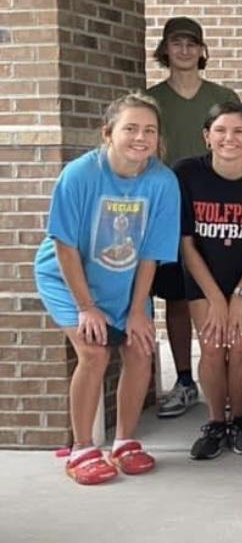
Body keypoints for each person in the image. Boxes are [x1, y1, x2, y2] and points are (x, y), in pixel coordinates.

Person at [35, 93, 180, 484]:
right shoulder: (80, 175)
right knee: (94, 352)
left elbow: (150, 253)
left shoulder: (163, 182)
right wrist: (86, 307)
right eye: (130, 128)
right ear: (108, 133)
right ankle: (82, 448)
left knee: (141, 348)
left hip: (125, 280)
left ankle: (125, 442)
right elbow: (64, 245)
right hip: (67, 278)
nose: (141, 137)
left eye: (149, 130)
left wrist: (138, 310)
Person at [175, 101, 242, 460]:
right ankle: (214, 422)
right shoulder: (187, 173)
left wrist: (240, 294)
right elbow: (186, 243)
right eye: (220, 130)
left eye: (239, 131)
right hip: (203, 273)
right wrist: (216, 298)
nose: (230, 138)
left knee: (239, 345)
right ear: (207, 136)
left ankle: (238, 418)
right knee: (211, 345)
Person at [145, 16, 238, 420]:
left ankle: (227, 380)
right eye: (176, 43)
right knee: (178, 297)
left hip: (217, 209)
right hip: (168, 208)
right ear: (165, 49)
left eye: (191, 44)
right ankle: (185, 380)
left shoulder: (222, 96)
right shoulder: (151, 100)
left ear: (202, 50)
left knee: (222, 294)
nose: (184, 50)